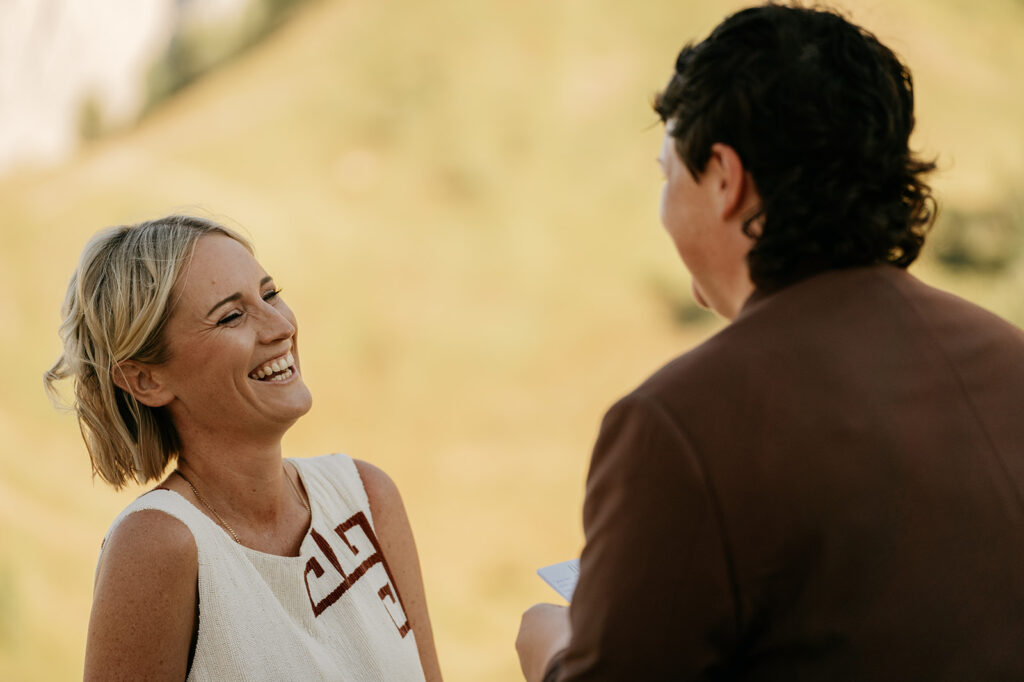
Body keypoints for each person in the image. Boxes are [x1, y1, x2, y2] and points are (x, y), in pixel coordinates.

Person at [516, 4, 1024, 680]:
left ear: (726, 179)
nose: (664, 201)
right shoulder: (1008, 357)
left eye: (669, 173)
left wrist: (552, 649)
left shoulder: (677, 425)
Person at [45, 215, 443, 681]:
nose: (280, 326)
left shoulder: (367, 495)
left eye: (270, 294)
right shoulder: (158, 546)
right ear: (145, 379)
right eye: (232, 316)